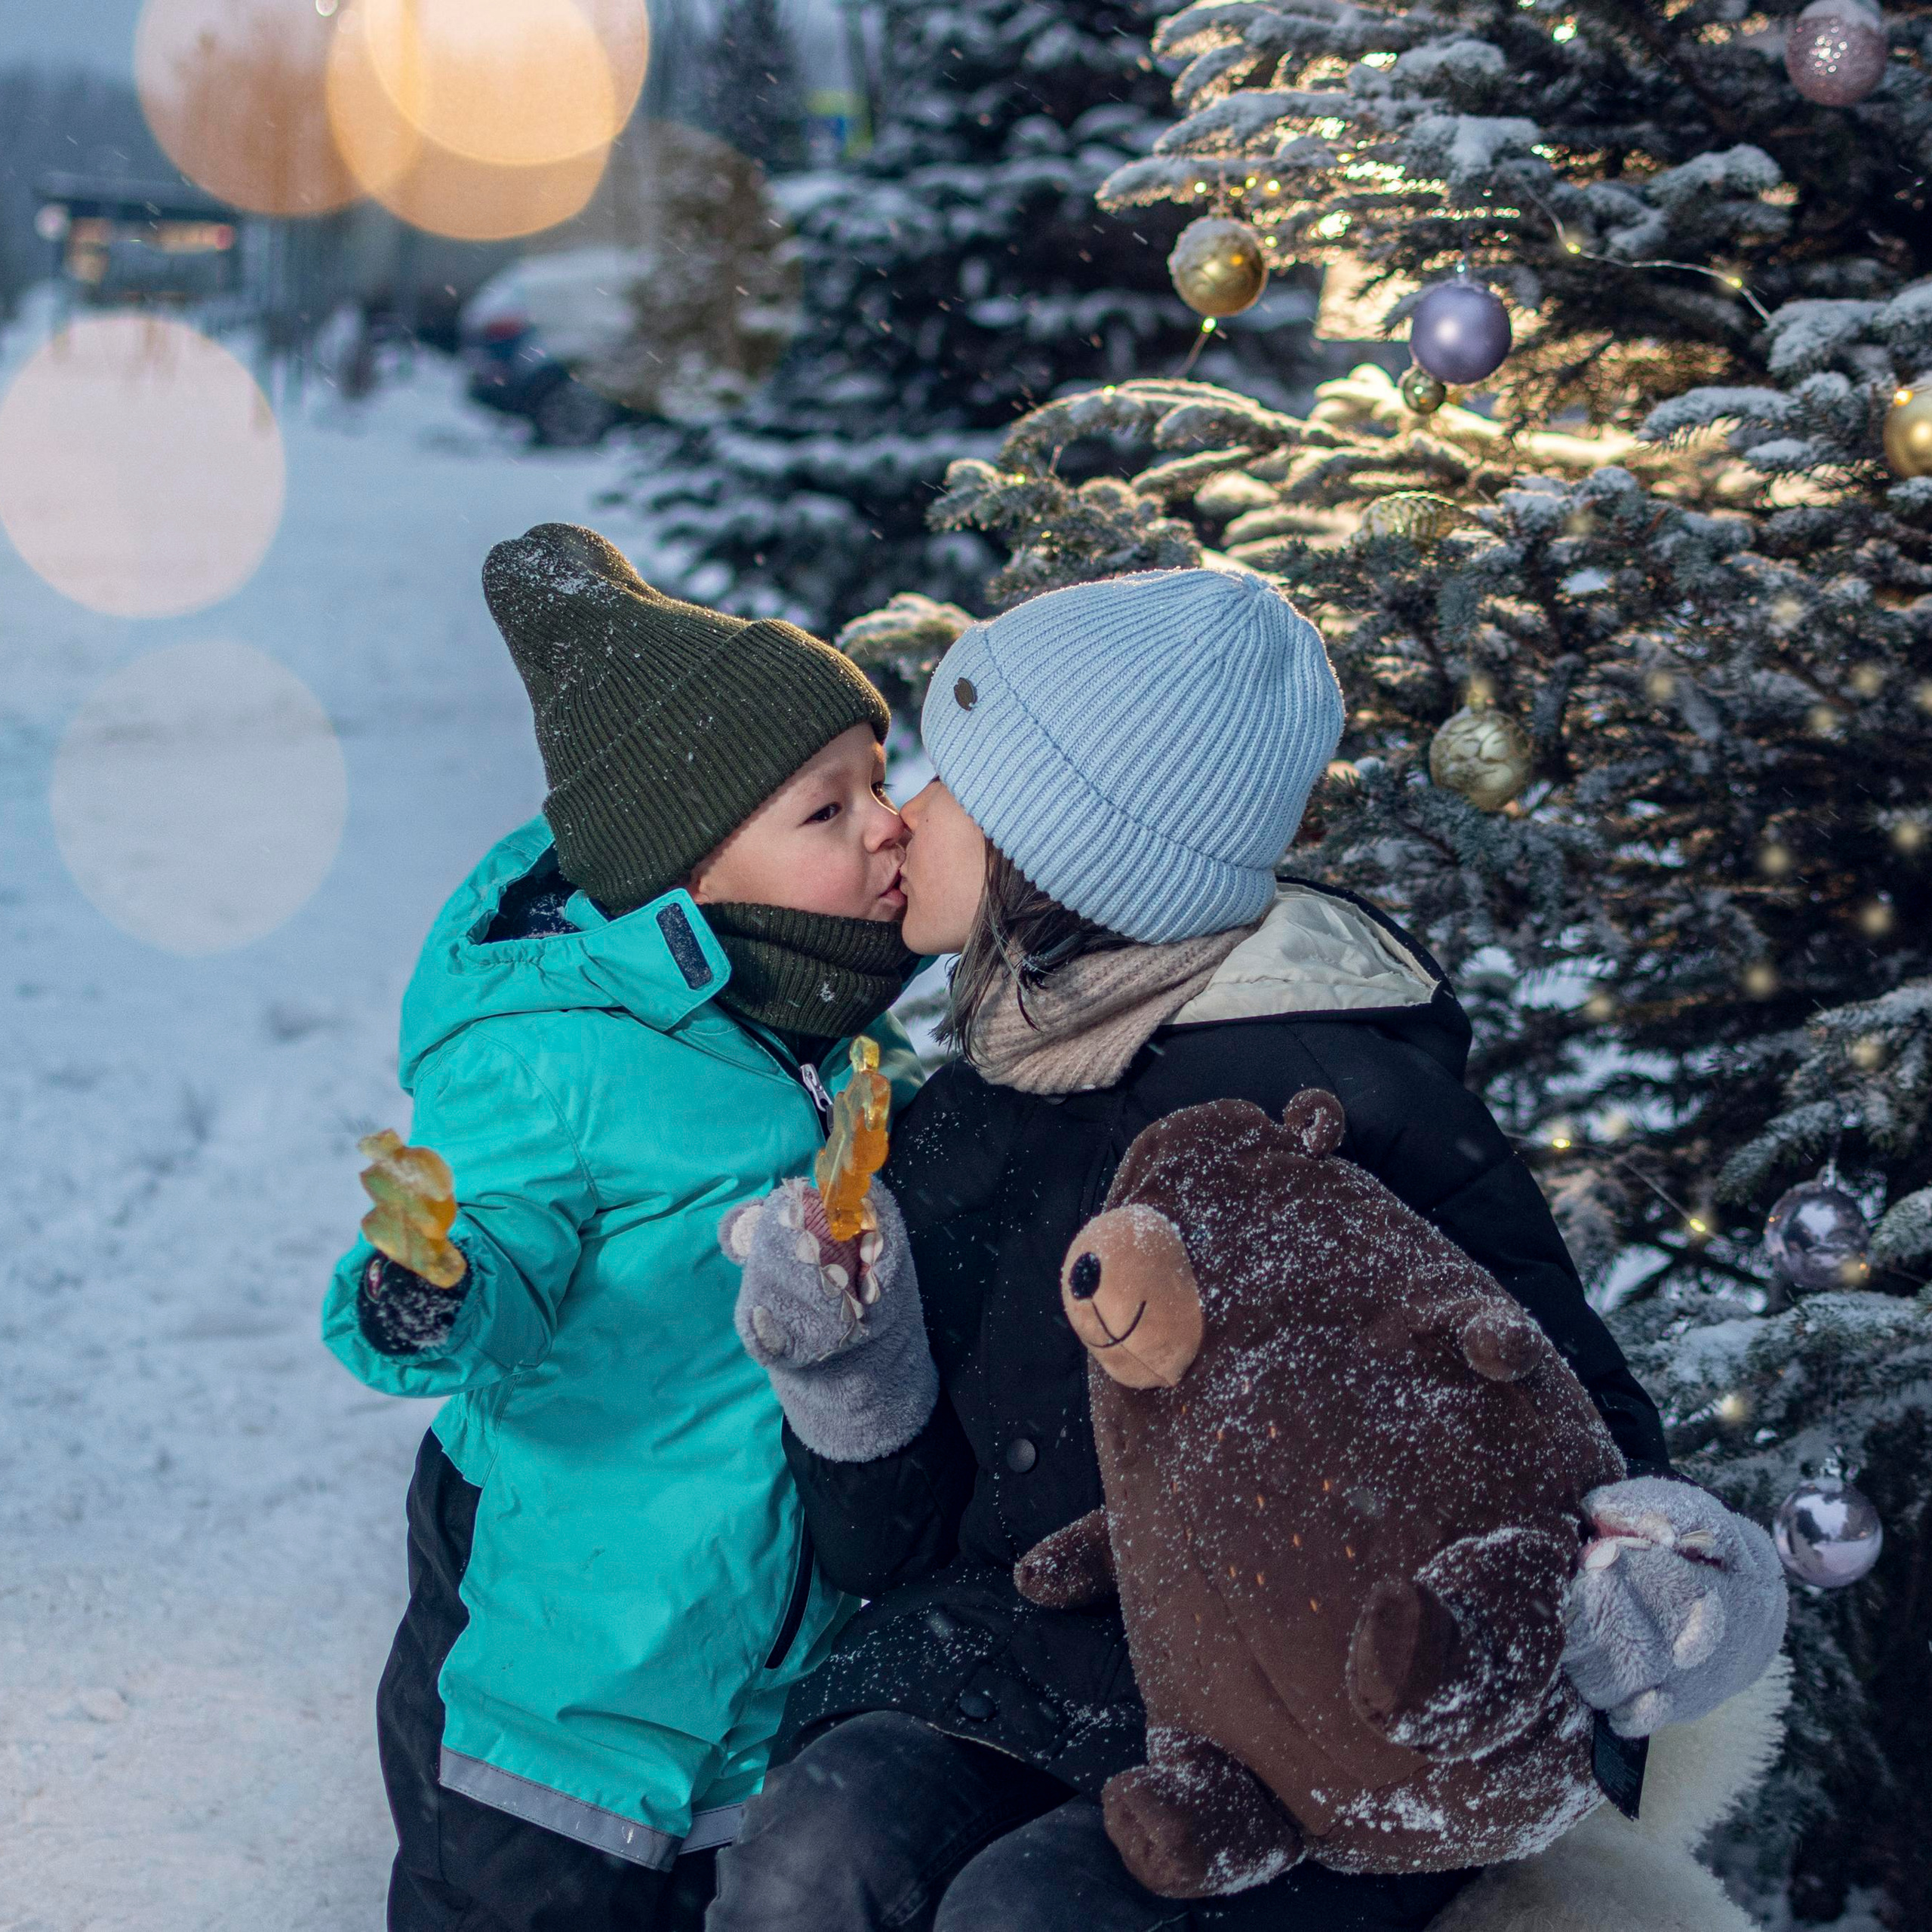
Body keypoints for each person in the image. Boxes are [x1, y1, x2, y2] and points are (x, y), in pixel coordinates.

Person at [712, 568, 1787, 1932]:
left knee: (1028, 1914)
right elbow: (895, 1550)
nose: (904, 823)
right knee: (815, 1851)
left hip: (1314, 1713)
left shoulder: (1333, 1080)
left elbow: (1558, 1404)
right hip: (1036, 1656)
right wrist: (849, 1369)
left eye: (948, 788)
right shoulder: (966, 1110)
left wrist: (1648, 1573)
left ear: (1062, 848)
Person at [320, 524, 923, 1932]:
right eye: (826, 810)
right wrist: (435, 1287)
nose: (887, 822)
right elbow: (506, 1234)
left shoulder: (809, 1028)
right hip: (567, 1662)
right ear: (692, 875)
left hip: (744, 1653)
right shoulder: (552, 1051)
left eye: (877, 786)